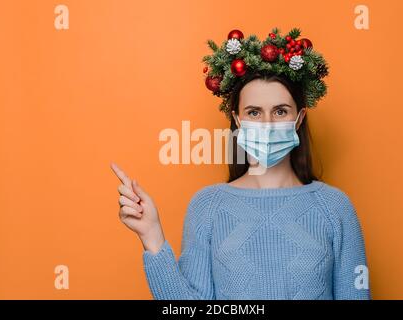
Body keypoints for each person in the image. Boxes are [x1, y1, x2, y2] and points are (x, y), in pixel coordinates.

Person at [110, 27, 371, 300]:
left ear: (299, 118)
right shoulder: (207, 207)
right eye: (254, 112)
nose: (268, 124)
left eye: (280, 111)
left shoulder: (334, 207)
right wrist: (152, 237)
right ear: (237, 121)